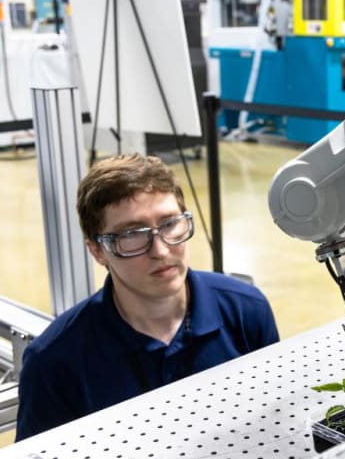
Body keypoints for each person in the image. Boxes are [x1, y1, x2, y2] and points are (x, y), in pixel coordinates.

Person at [15, 154, 279, 441]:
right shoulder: (54, 360)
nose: (161, 250)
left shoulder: (246, 311)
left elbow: (278, 427)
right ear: (97, 251)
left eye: (169, 224)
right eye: (132, 234)